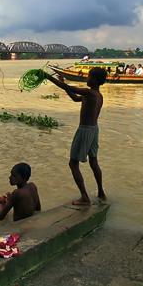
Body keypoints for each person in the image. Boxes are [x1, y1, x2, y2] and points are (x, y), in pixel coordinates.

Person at [44, 67, 107, 205]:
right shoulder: (97, 95)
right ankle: (101, 191)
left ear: (95, 80)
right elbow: (74, 98)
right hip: (94, 129)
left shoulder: (89, 93)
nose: (87, 78)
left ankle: (84, 197)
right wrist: (65, 84)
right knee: (93, 161)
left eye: (89, 76)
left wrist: (47, 76)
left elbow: (67, 87)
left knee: (73, 164)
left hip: (85, 130)